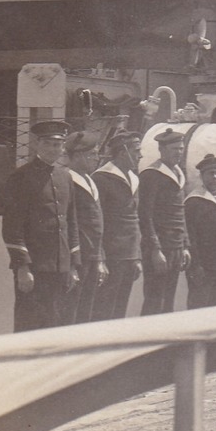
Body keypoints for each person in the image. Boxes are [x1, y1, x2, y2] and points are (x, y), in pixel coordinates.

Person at [1, 119, 80, 331]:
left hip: (60, 268)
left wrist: (73, 265)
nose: (55, 149)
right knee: (29, 324)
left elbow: (71, 222)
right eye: (49, 144)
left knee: (55, 324)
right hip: (35, 268)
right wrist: (22, 267)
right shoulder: (21, 177)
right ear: (37, 144)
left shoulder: (65, 177)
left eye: (59, 144)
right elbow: (12, 226)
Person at [91, 129, 142, 321]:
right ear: (123, 153)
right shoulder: (101, 178)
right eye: (136, 151)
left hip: (129, 256)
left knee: (120, 310)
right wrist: (100, 258)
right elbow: (98, 221)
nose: (140, 156)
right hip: (111, 256)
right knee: (103, 309)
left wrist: (136, 256)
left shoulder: (134, 178)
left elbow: (134, 220)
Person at [139, 127, 189, 315]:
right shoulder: (151, 174)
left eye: (181, 149)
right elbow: (145, 215)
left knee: (168, 301)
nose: (179, 153)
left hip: (175, 246)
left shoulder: (178, 173)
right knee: (154, 299)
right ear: (162, 150)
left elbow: (180, 212)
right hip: (159, 248)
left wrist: (184, 245)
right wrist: (155, 250)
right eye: (175, 149)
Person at [61, 131, 107, 324]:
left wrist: (100, 259)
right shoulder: (66, 180)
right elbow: (67, 226)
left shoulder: (90, 180)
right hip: (77, 259)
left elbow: (97, 227)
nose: (96, 159)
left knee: (86, 313)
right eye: (92, 155)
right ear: (77, 155)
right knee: (70, 312)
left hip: (92, 257)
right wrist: (71, 265)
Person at [184, 154, 216, 309]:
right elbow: (190, 237)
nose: (215, 177)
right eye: (210, 173)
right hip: (203, 268)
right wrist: (196, 267)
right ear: (202, 176)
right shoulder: (194, 201)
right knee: (198, 309)